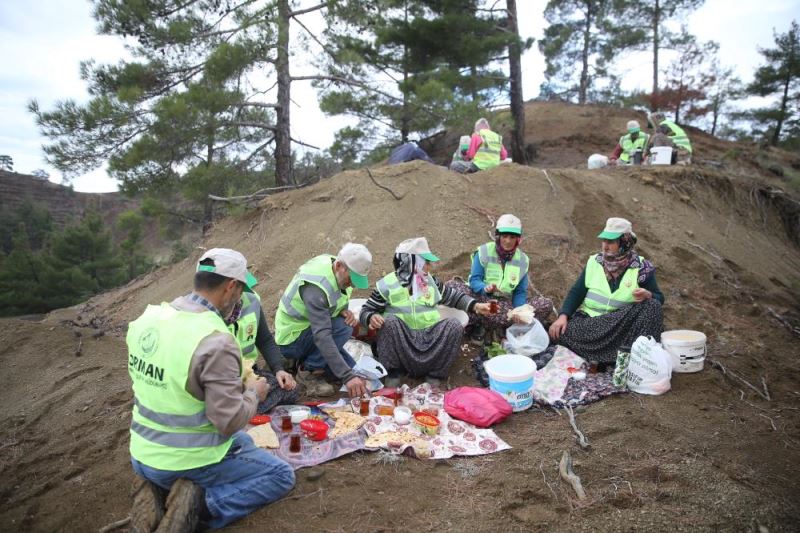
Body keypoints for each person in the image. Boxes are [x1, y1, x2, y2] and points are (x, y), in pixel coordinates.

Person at [127, 248, 295, 531]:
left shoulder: (149, 318)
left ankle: (156, 488)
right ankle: (197, 507)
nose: (240, 298)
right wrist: (253, 393)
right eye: (241, 290)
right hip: (183, 458)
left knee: (246, 443)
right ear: (231, 286)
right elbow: (227, 421)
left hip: (142, 452)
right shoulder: (213, 339)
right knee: (280, 475)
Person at [358, 237, 493, 387]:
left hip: (429, 340)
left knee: (454, 325)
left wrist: (475, 306)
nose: (429, 266)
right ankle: (394, 372)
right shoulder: (386, 285)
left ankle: (435, 373)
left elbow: (453, 296)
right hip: (402, 342)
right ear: (411, 263)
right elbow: (366, 310)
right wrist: (371, 317)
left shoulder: (431, 282)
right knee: (389, 323)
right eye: (425, 262)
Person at [548, 218, 665, 365]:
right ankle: (616, 355)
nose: (605, 246)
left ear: (624, 242)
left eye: (611, 242)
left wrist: (649, 295)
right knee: (565, 332)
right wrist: (563, 316)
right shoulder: (594, 262)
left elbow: (659, 299)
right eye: (604, 240)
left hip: (621, 326)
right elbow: (577, 292)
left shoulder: (641, 267)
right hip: (591, 322)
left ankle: (619, 355)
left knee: (652, 306)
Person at [274, 243, 373, 398]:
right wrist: (347, 375)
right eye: (352, 279)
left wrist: (343, 310)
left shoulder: (337, 270)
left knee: (345, 328)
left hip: (310, 329)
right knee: (342, 329)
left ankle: (318, 364)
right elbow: (322, 336)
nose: (353, 284)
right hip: (291, 338)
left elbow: (335, 300)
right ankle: (309, 371)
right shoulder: (316, 287)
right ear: (340, 266)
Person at [446, 214, 553, 343]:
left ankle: (485, 324)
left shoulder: (523, 260)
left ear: (518, 239)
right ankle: (493, 325)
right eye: (504, 236)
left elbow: (519, 292)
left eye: (512, 237)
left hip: (503, 304)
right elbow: (474, 280)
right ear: (498, 236)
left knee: (545, 304)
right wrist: (485, 288)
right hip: (479, 297)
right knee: (451, 287)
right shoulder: (484, 251)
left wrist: (519, 310)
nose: (508, 241)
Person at [226, 286, 298, 413]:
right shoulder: (208, 311)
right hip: (222, 377)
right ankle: (241, 411)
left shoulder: (252, 301)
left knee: (289, 390)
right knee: (226, 402)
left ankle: (243, 409)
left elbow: (265, 340)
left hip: (249, 373)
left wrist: (279, 369)